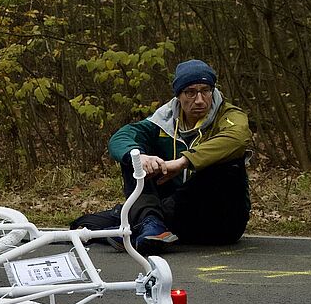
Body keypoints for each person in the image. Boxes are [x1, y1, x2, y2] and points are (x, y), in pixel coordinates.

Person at [72, 60, 252, 255]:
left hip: (219, 222)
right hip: (176, 218)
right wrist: (141, 157)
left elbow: (238, 136)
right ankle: (149, 224)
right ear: (178, 95)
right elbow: (121, 137)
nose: (199, 100)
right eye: (190, 92)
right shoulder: (163, 120)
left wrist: (183, 162)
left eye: (205, 90)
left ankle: (140, 224)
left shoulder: (228, 114)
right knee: (85, 222)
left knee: (228, 162)